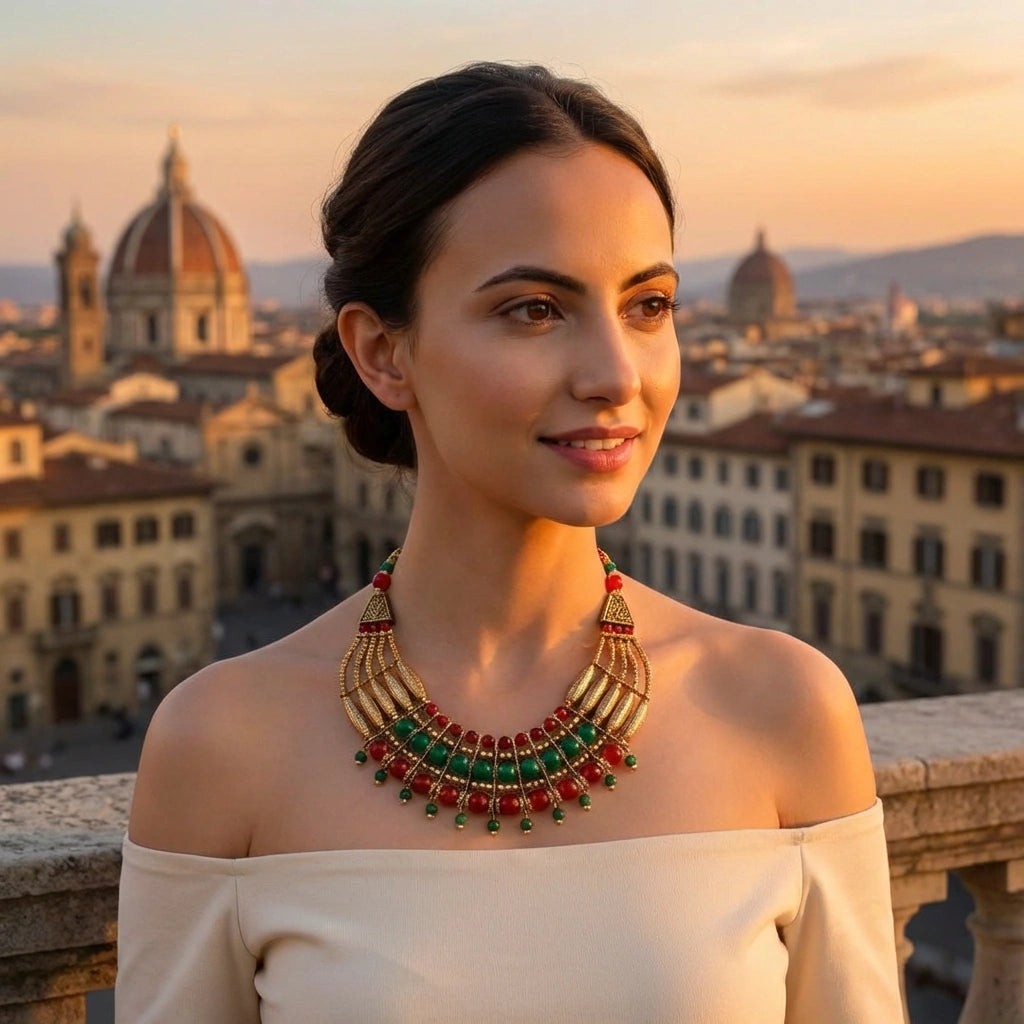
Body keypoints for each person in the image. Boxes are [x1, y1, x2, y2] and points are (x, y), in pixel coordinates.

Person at [116, 62, 903, 1022]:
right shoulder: (219, 747)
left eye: (648, 306)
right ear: (381, 352)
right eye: (534, 309)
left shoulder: (788, 710)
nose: (618, 375)